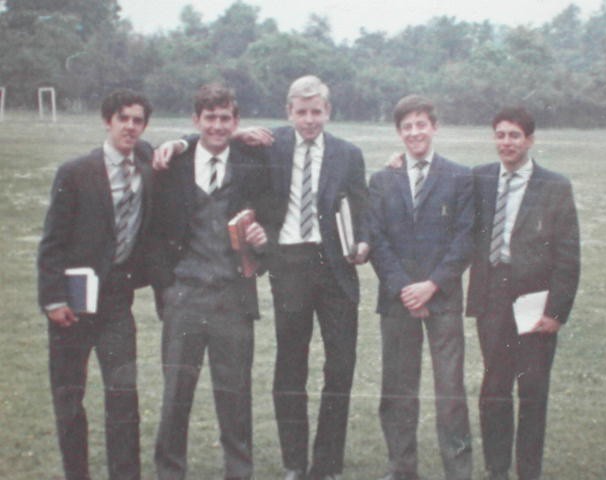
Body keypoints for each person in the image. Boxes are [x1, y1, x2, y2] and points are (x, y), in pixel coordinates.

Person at [154, 75, 369, 480]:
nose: (309, 119)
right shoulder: (271, 145)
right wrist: (180, 142)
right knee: (290, 367)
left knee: (340, 369)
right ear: (288, 112)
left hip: (334, 269)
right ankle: (293, 464)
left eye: (316, 111)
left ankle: (327, 465)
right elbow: (214, 136)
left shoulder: (348, 153)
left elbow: (363, 205)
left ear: (328, 112)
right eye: (301, 112)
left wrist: (364, 241)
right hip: (288, 265)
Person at [148, 83, 267, 480]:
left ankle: (239, 471)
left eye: (225, 118)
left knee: (235, 395)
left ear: (236, 121)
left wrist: (262, 242)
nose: (217, 126)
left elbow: (270, 216)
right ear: (195, 120)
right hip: (185, 296)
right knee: (176, 393)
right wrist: (168, 288)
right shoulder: (172, 164)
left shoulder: (252, 162)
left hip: (233, 298)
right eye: (210, 118)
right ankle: (169, 471)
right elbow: (154, 233)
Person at [37, 89, 154, 480]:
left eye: (138, 120)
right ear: (108, 121)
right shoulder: (75, 172)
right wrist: (54, 300)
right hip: (72, 301)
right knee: (69, 397)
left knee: (123, 396)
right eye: (123, 118)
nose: (130, 127)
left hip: (116, 301)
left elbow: (193, 143)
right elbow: (52, 242)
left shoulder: (147, 162)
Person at [466, 107, 580, 480]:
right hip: (492, 296)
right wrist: (397, 163)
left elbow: (568, 255)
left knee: (532, 389)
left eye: (514, 135)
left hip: (534, 298)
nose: (507, 142)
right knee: (494, 388)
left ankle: (529, 471)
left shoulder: (554, 185)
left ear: (530, 140)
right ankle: (497, 469)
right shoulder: (480, 177)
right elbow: (442, 188)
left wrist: (556, 312)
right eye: (500, 135)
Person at [368, 95, 473, 480]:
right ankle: (401, 469)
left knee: (450, 391)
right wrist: (404, 288)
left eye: (421, 124)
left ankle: (458, 472)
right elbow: (376, 239)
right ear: (399, 132)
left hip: (442, 299)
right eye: (407, 126)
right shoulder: (382, 180)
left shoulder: (459, 177)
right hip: (398, 301)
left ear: (434, 127)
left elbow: (464, 240)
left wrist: (431, 285)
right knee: (398, 390)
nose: (415, 132)